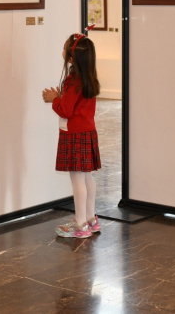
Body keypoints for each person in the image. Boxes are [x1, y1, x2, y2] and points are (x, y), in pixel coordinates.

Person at [42, 29, 102, 239]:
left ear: (70, 58)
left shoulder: (73, 80)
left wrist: (54, 99)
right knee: (87, 177)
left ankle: (80, 224)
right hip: (88, 132)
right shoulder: (89, 78)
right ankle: (91, 219)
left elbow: (65, 111)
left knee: (77, 180)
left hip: (74, 135)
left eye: (64, 49)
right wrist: (61, 97)